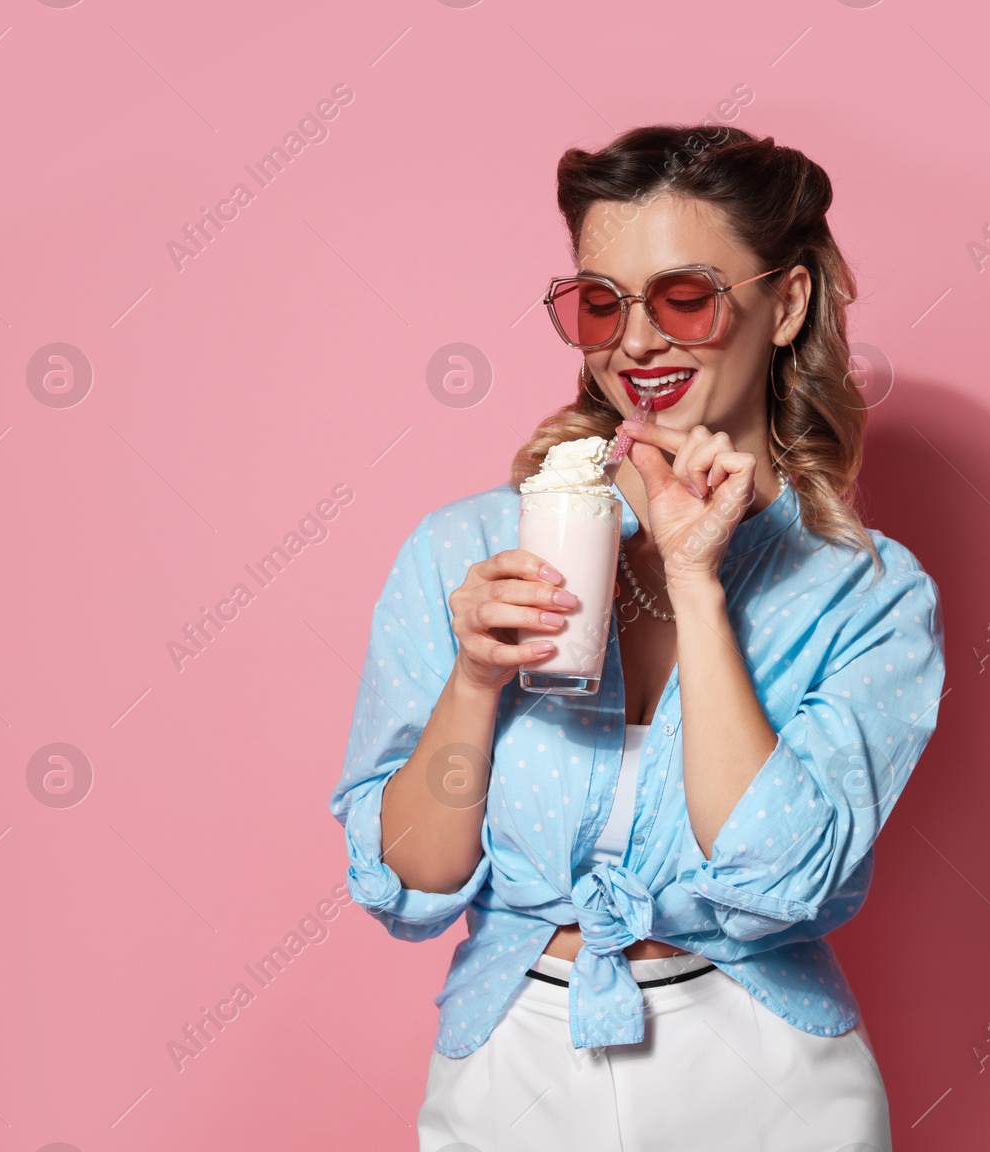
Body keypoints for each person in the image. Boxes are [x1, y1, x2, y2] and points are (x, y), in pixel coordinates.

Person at [328, 123, 946, 1152]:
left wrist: (698, 584)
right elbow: (414, 888)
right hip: (513, 1064)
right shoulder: (468, 550)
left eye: (686, 297)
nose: (637, 342)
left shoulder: (867, 595)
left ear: (785, 303)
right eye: (601, 303)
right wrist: (475, 682)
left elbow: (777, 880)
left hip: (765, 1079)